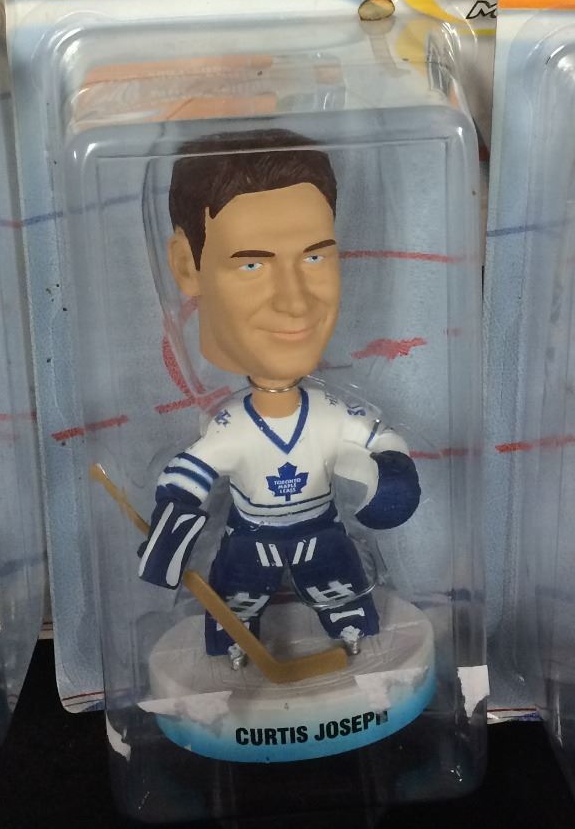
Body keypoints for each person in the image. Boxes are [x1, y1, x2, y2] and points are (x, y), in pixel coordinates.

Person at [134, 129, 420, 667]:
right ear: (188, 266)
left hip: (322, 532)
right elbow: (188, 475)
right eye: (252, 264)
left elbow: (382, 443)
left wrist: (391, 479)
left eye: (314, 258)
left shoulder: (328, 413)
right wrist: (171, 532)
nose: (294, 302)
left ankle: (355, 640)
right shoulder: (232, 427)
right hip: (250, 538)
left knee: (345, 595)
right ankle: (232, 651)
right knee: (233, 605)